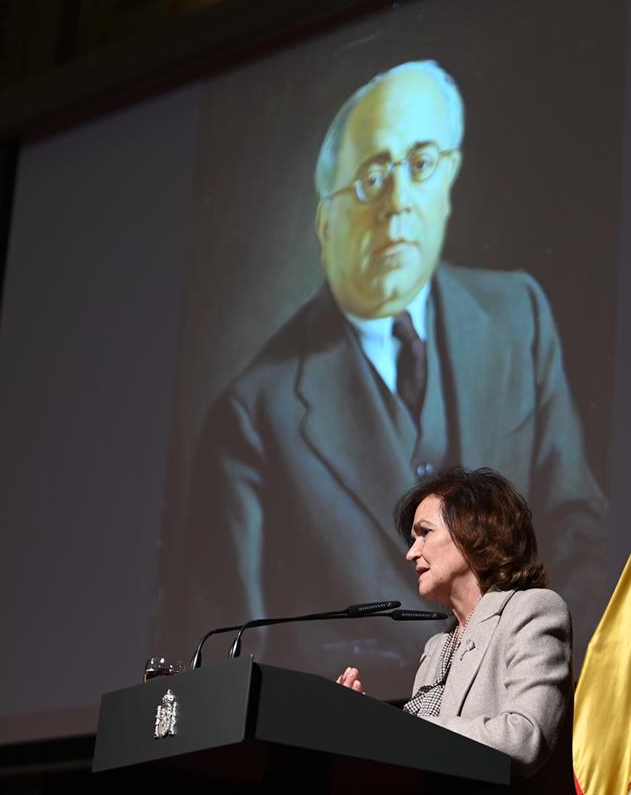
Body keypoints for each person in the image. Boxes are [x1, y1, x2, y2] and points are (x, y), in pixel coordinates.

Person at [175, 59, 604, 685]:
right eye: (372, 179)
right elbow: (237, 648)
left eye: (422, 164)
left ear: (451, 179)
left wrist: (541, 663)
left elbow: (579, 527)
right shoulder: (252, 416)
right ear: (325, 224)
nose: (399, 201)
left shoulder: (519, 316)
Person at [336, 467, 571, 780]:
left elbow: (525, 738)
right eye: (412, 539)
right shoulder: (437, 647)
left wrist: (400, 728)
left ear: (474, 534)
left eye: (425, 533)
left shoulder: (533, 610)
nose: (411, 553)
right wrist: (368, 722)